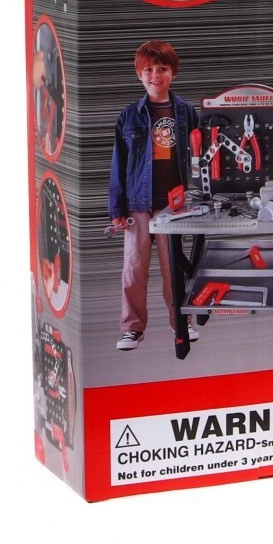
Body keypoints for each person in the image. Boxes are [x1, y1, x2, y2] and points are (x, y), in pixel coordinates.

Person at [107, 41, 199, 351]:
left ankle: (182, 321)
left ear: (173, 73)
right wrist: (116, 210)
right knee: (134, 269)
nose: (155, 76)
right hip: (137, 205)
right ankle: (132, 328)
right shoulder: (129, 116)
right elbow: (118, 165)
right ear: (139, 74)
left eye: (162, 69)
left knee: (174, 268)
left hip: (174, 205)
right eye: (148, 69)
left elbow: (200, 155)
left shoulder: (186, 112)